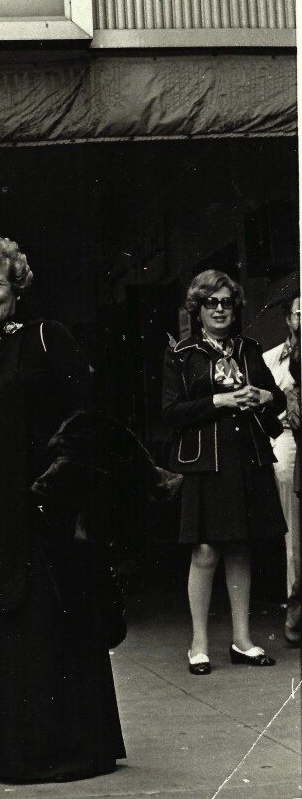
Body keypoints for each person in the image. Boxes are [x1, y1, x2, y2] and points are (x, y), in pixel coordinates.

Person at [0, 235, 125, 783]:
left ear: (16, 286)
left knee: (42, 632)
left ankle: (52, 751)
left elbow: (83, 425)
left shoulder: (47, 338)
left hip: (43, 516)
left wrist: (52, 495)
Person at [162, 269, 286, 675]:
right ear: (197, 309)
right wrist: (220, 400)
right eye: (210, 302)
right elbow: (170, 412)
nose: (219, 309)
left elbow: (277, 400)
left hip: (245, 458)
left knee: (240, 548)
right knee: (205, 551)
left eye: (226, 302)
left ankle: (242, 640)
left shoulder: (250, 349)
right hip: (206, 463)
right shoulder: (181, 353)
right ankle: (198, 644)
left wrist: (264, 395)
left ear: (236, 308)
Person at [263, 294, 301, 644]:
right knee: (295, 534)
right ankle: (297, 610)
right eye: (298, 312)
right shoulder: (272, 359)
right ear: (288, 318)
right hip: (289, 441)